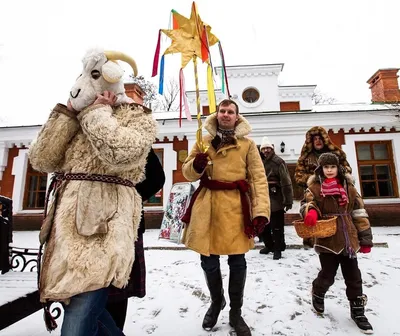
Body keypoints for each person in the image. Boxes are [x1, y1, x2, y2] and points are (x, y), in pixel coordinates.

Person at [29, 49, 158, 335]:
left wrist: (99, 114)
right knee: (87, 307)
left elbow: (121, 153)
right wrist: (67, 116)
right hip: (66, 228)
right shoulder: (77, 121)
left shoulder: (137, 117)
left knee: (83, 308)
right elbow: (42, 159)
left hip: (105, 226)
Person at [181, 99, 270, 336]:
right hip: (207, 206)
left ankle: (236, 312)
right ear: (217, 114)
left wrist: (261, 211)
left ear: (237, 117)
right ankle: (216, 302)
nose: (226, 114)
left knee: (237, 263)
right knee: (208, 262)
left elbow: (258, 179)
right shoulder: (203, 140)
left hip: (236, 209)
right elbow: (187, 172)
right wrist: (197, 165)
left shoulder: (248, 145)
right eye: (222, 111)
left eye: (231, 111)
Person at [301, 152, 373, 334]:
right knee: (328, 274)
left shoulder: (349, 188)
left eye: (332, 166)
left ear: (338, 168)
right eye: (326, 167)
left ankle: (358, 311)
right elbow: (307, 203)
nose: (330, 170)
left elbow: (359, 213)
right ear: (321, 169)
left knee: (354, 276)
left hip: (349, 237)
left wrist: (365, 239)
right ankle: (318, 292)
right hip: (328, 238)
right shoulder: (315, 188)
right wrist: (311, 213)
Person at [106, 148, 165, 331]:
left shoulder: (136, 139)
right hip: (89, 227)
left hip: (126, 225)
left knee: (117, 288)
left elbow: (156, 177)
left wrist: (130, 197)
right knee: (108, 291)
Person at [295, 126, 352, 248]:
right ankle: (319, 247)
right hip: (314, 194)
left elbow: (347, 169)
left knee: (337, 223)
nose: (318, 141)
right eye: (315, 139)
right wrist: (315, 180)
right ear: (311, 141)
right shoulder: (306, 158)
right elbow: (298, 176)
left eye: (320, 138)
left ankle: (342, 245)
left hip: (335, 193)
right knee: (314, 220)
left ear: (325, 140)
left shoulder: (334, 155)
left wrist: (335, 177)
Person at [259, 137, 293, 260]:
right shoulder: (258, 162)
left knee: (277, 226)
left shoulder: (278, 162)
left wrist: (288, 200)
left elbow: (286, 181)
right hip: (262, 198)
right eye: (264, 148)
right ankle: (269, 246)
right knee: (263, 226)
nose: (266, 150)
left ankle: (278, 249)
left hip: (276, 198)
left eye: (268, 148)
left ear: (272, 149)